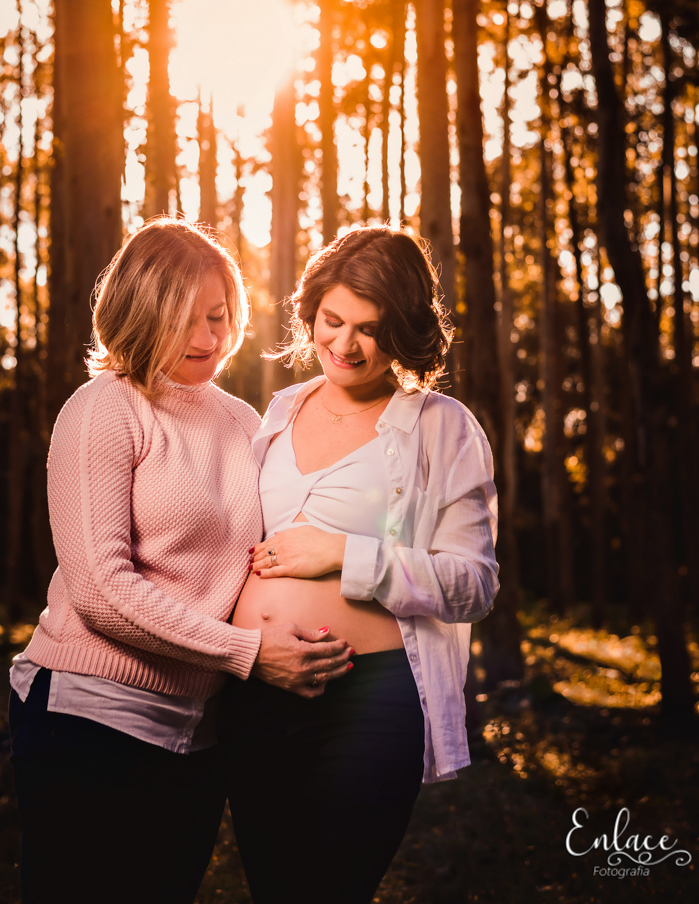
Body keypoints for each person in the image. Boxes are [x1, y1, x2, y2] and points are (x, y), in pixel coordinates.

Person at [8, 217, 352, 904]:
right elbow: (102, 591)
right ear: (136, 312)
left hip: (196, 737)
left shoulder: (242, 422)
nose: (207, 339)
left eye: (219, 316)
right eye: (182, 320)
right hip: (89, 720)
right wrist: (249, 652)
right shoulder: (104, 407)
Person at [221, 226, 500, 904]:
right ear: (310, 312)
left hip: (370, 699)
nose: (344, 346)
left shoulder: (441, 426)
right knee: (274, 887)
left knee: (330, 887)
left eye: (369, 329)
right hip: (257, 689)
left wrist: (348, 555)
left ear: (403, 330)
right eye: (332, 320)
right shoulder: (278, 414)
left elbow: (474, 584)